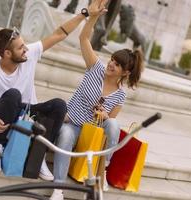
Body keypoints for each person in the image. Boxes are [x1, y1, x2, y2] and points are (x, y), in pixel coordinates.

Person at [0, 4, 93, 180]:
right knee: (13, 94)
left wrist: (85, 14)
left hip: (28, 112)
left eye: (24, 45)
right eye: (20, 48)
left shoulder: (29, 55)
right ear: (6, 53)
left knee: (59, 104)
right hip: (6, 113)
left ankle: (39, 153)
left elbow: (59, 34)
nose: (26, 49)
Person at [50, 0, 144, 199]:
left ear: (125, 72)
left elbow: (109, 124)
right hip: (73, 124)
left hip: (94, 133)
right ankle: (58, 189)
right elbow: (84, 38)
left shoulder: (120, 95)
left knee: (112, 123)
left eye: (117, 65)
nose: (111, 64)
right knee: (65, 136)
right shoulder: (96, 68)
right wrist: (94, 16)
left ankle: (104, 166)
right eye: (112, 60)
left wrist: (103, 115)